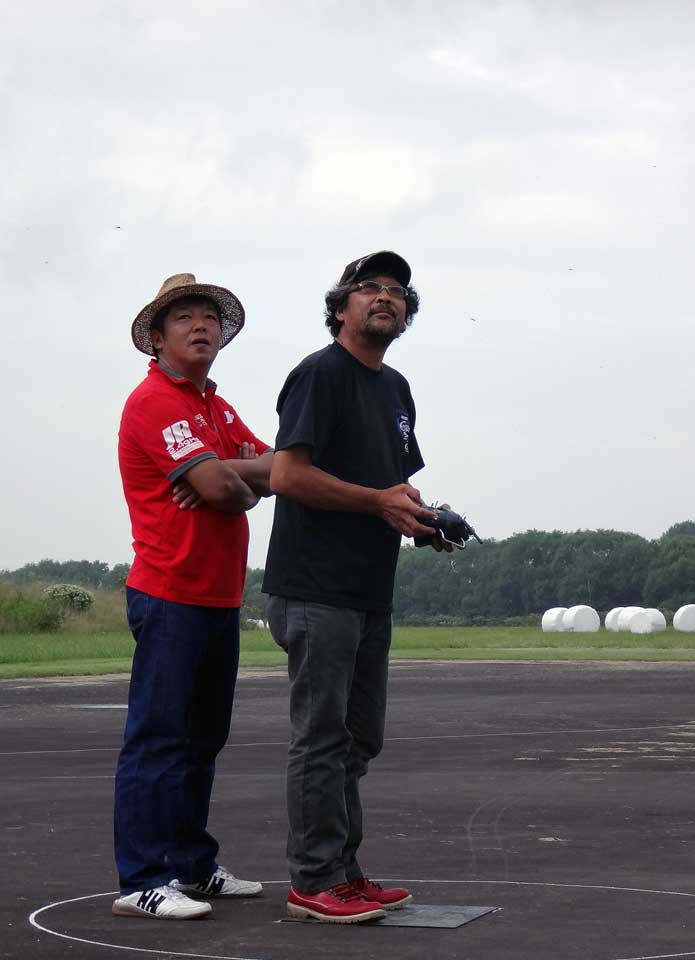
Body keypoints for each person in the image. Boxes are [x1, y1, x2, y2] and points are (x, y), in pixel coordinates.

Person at [263, 251, 453, 923]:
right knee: (321, 737)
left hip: (369, 588)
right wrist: (378, 502)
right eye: (368, 287)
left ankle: (344, 872)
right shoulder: (320, 374)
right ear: (340, 308)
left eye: (397, 290)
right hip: (315, 587)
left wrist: (421, 519)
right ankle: (312, 879)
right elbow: (286, 475)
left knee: (357, 740)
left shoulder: (395, 387)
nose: (384, 297)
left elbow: (393, 485)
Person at [112, 273, 272, 920]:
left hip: (218, 598)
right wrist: (234, 478)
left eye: (209, 315)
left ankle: (192, 865)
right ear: (158, 338)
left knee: (203, 740)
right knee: (159, 740)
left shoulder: (216, 407)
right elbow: (226, 491)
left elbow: (279, 467)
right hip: (170, 595)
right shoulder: (155, 401)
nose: (201, 325)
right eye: (183, 317)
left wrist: (230, 471)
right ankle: (143, 879)